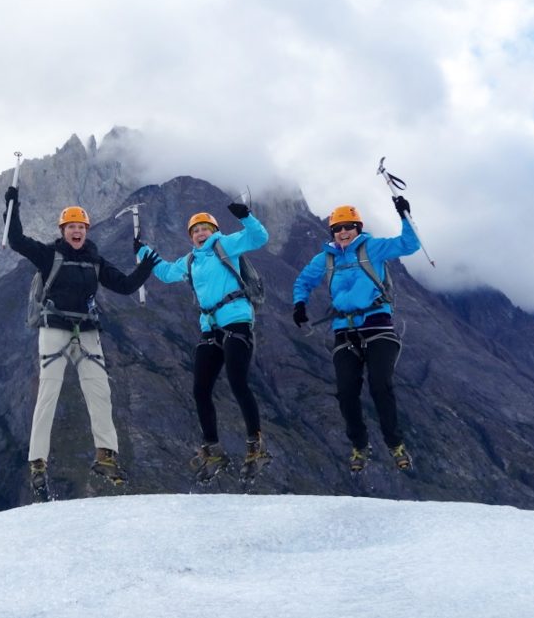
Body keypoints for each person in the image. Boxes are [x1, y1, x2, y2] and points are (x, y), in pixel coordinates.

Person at [4, 186, 159, 499]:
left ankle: (106, 456)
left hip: (86, 331)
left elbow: (126, 286)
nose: (77, 231)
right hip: (55, 328)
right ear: (63, 231)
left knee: (99, 392)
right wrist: (11, 206)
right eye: (72, 227)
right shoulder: (49, 254)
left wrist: (145, 267)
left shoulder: (94, 260)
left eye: (81, 227)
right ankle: (37, 462)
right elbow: (16, 240)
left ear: (87, 231)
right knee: (48, 393)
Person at [136, 202, 271, 484]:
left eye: (205, 229)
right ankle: (213, 448)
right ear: (191, 236)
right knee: (200, 389)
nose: (200, 233)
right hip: (210, 327)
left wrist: (246, 217)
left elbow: (259, 238)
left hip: (236, 321)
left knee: (237, 381)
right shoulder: (190, 261)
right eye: (196, 231)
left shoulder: (226, 245)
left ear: (214, 231)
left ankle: (255, 444)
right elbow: (166, 272)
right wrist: (143, 252)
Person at [292, 197, 420, 473]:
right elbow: (304, 280)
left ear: (358, 227)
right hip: (344, 330)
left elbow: (410, 244)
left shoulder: (373, 247)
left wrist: (405, 215)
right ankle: (359, 445)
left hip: (378, 326)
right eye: (337, 229)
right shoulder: (325, 258)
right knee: (347, 392)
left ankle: (394, 443)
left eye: (348, 227)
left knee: (379, 385)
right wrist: (299, 303)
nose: (343, 232)